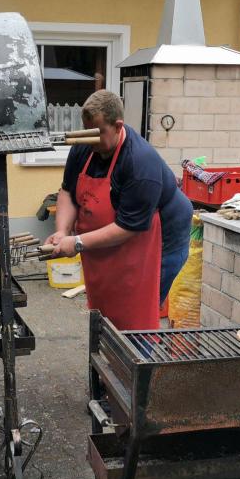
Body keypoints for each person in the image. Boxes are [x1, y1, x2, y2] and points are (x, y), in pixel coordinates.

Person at [46, 90, 193, 330]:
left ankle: (137, 361)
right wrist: (62, 231)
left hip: (162, 235)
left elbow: (128, 227)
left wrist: (78, 242)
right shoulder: (85, 147)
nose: (91, 139)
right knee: (107, 305)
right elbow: (68, 192)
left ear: (117, 126)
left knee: (138, 312)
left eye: (98, 132)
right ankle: (109, 358)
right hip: (120, 231)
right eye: (87, 131)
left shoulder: (140, 162)